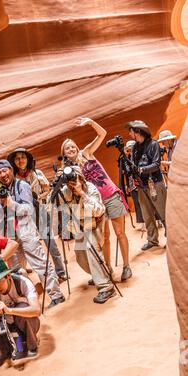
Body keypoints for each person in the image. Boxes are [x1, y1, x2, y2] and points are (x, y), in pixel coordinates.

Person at [61, 117, 132, 281]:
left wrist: (90, 122)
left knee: (120, 232)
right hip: (94, 203)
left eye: (72, 146)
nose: (71, 149)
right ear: (64, 153)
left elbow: (103, 134)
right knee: (104, 237)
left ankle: (126, 266)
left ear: (76, 148)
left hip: (110, 195)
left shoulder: (86, 153)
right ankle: (107, 269)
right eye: (67, 148)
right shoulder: (68, 170)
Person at [0, 159, 65, 309]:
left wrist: (11, 203)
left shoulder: (22, 185)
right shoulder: (3, 192)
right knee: (16, 270)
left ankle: (56, 295)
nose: (2, 174)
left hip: (26, 232)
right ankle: (25, 298)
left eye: (4, 170)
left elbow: (28, 209)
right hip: (11, 235)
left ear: (11, 170)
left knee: (40, 263)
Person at [7, 147, 67, 282]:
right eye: (17, 158)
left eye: (23, 157)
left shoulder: (37, 173)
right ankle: (47, 277)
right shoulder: (14, 179)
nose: (20, 160)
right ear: (14, 162)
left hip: (40, 211)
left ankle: (60, 272)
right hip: (25, 217)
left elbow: (47, 189)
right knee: (35, 248)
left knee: (51, 244)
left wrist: (38, 197)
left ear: (27, 159)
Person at [58, 166, 115, 303]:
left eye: (75, 180)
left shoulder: (90, 188)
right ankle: (100, 274)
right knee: (81, 259)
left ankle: (106, 287)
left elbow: (99, 210)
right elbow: (56, 206)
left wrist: (82, 194)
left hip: (94, 224)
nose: (72, 184)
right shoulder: (65, 191)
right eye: (69, 182)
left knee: (92, 250)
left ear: (81, 178)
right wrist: (56, 188)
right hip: (79, 226)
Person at [0, 258, 40, 371]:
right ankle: (15, 345)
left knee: (23, 308)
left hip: (23, 323)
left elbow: (36, 310)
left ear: (8, 276)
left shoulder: (22, 282)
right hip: (3, 330)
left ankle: (30, 344)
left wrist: (8, 310)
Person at [126, 120, 167, 250]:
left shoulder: (153, 144)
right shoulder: (135, 147)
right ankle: (152, 240)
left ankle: (172, 238)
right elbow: (133, 164)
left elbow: (156, 164)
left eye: (131, 130)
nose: (129, 133)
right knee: (147, 214)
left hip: (155, 183)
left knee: (163, 212)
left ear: (138, 131)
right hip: (141, 186)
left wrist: (142, 169)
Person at [124, 140, 144, 225]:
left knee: (145, 202)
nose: (130, 151)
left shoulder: (140, 156)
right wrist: (127, 185)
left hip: (142, 182)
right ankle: (142, 222)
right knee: (137, 203)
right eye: (129, 149)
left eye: (131, 148)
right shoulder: (126, 160)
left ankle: (154, 219)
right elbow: (126, 174)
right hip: (132, 184)